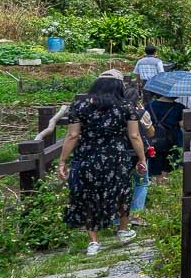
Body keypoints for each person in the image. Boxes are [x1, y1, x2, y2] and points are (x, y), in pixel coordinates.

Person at [57, 75, 147, 256]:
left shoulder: (80, 107)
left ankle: (93, 242)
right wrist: (142, 159)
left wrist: (62, 160)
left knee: (88, 195)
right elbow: (134, 136)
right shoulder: (126, 107)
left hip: (87, 157)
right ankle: (122, 230)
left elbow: (72, 136)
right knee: (121, 191)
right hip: (116, 157)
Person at [123, 78, 155, 229]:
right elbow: (150, 133)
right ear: (139, 98)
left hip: (120, 154)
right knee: (141, 183)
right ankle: (136, 215)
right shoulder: (141, 113)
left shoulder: (116, 112)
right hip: (138, 153)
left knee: (122, 184)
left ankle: (118, 219)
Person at [145, 94, 185, 182]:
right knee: (168, 169)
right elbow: (183, 124)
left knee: (154, 170)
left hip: (153, 141)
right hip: (172, 143)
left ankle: (156, 190)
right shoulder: (179, 107)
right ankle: (164, 189)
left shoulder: (149, 105)